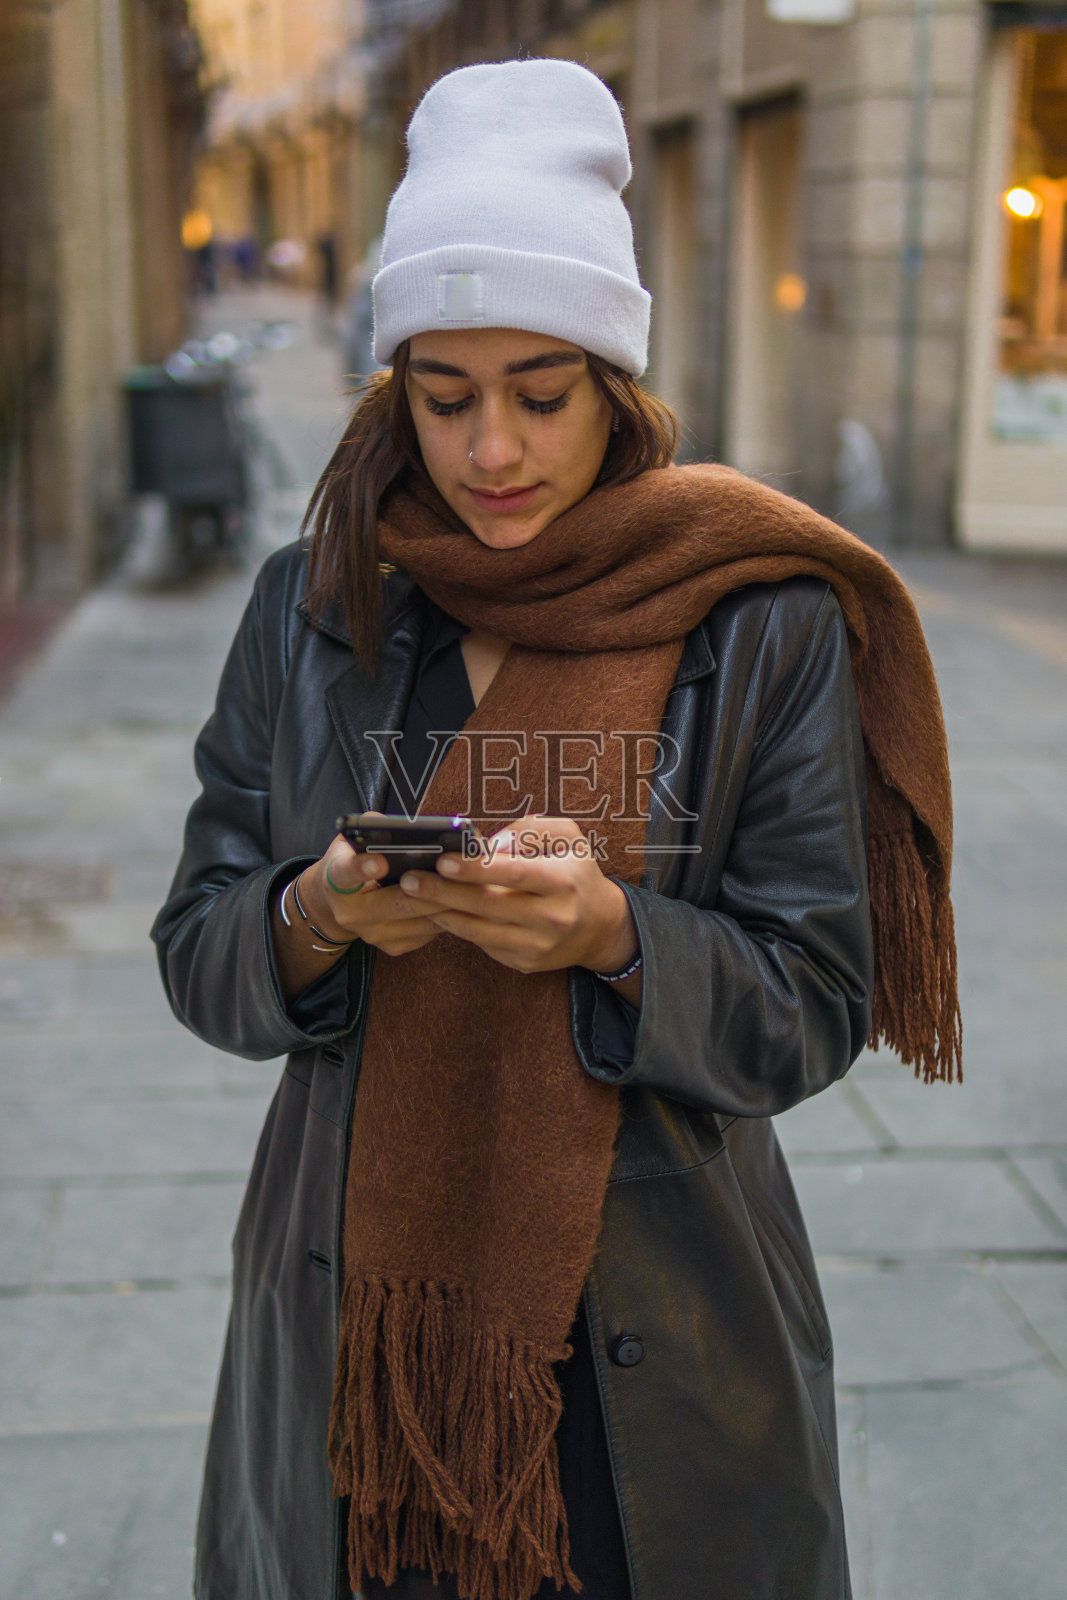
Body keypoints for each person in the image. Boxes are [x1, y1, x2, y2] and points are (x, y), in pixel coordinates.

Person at [151, 59, 961, 1600]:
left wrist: (614, 936)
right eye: (444, 397)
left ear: (615, 386)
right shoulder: (310, 609)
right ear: (396, 389)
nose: (493, 452)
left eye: (541, 393)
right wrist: (316, 916)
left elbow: (815, 1001)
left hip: (662, 1345)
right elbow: (200, 948)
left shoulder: (759, 620)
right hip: (360, 1333)